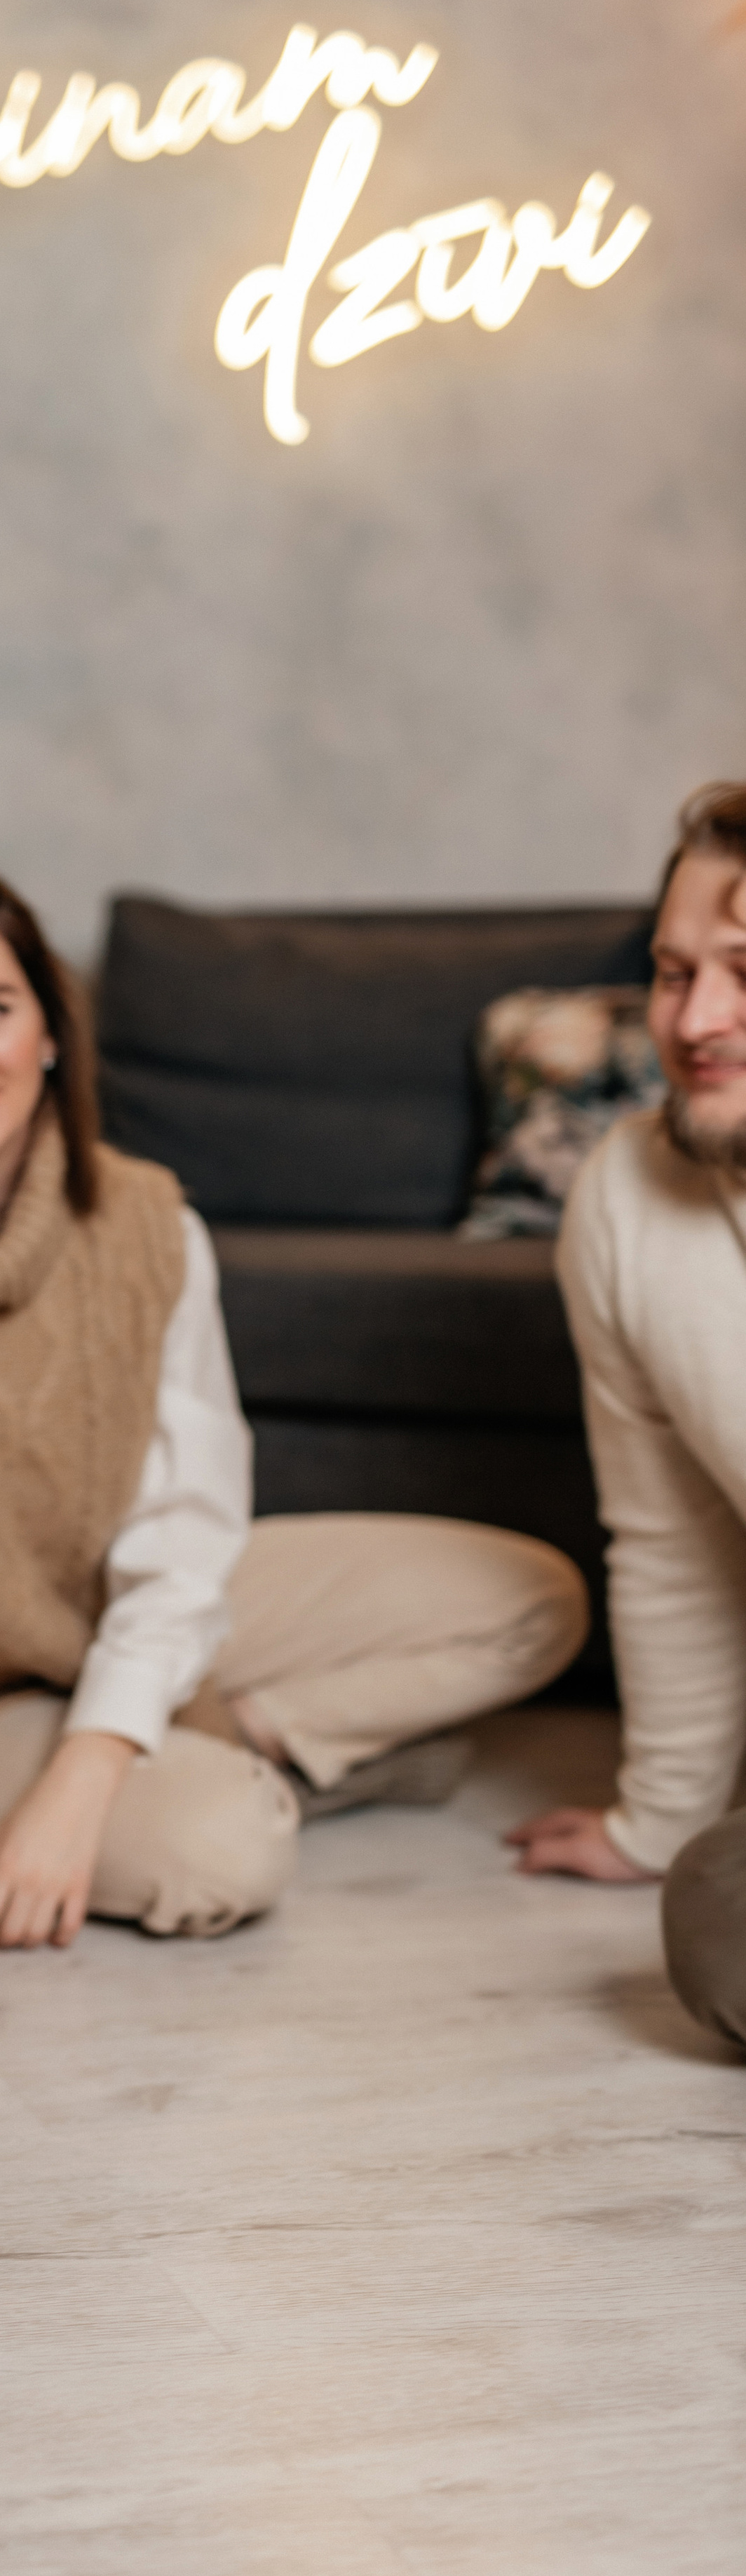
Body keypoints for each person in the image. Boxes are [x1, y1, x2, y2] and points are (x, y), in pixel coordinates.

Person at [0, 861, 590, 1951]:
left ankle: (238, 1736)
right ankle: (216, 1763)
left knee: (535, 1599)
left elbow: (184, 1531)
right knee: (227, 1850)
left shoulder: (149, 1223)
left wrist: (88, 1769)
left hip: (97, 1611)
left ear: (48, 1027)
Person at [506, 785, 746, 2048]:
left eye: (745, 972)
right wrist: (658, 1821)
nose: (696, 1022)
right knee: (720, 1922)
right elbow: (673, 1540)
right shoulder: (622, 1200)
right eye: (673, 971)